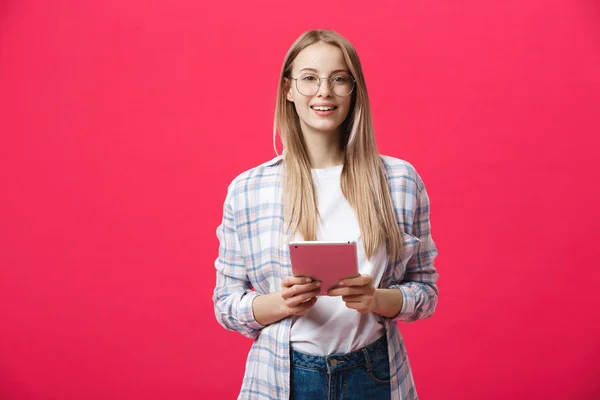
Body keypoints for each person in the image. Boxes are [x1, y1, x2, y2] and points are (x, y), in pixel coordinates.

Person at [212, 28, 439, 400]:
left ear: (354, 90)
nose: (324, 91)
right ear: (288, 89)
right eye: (309, 79)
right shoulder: (248, 189)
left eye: (338, 79)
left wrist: (377, 298)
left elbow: (426, 293)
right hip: (283, 378)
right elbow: (225, 303)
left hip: (375, 375)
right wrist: (279, 303)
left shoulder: (399, 180)